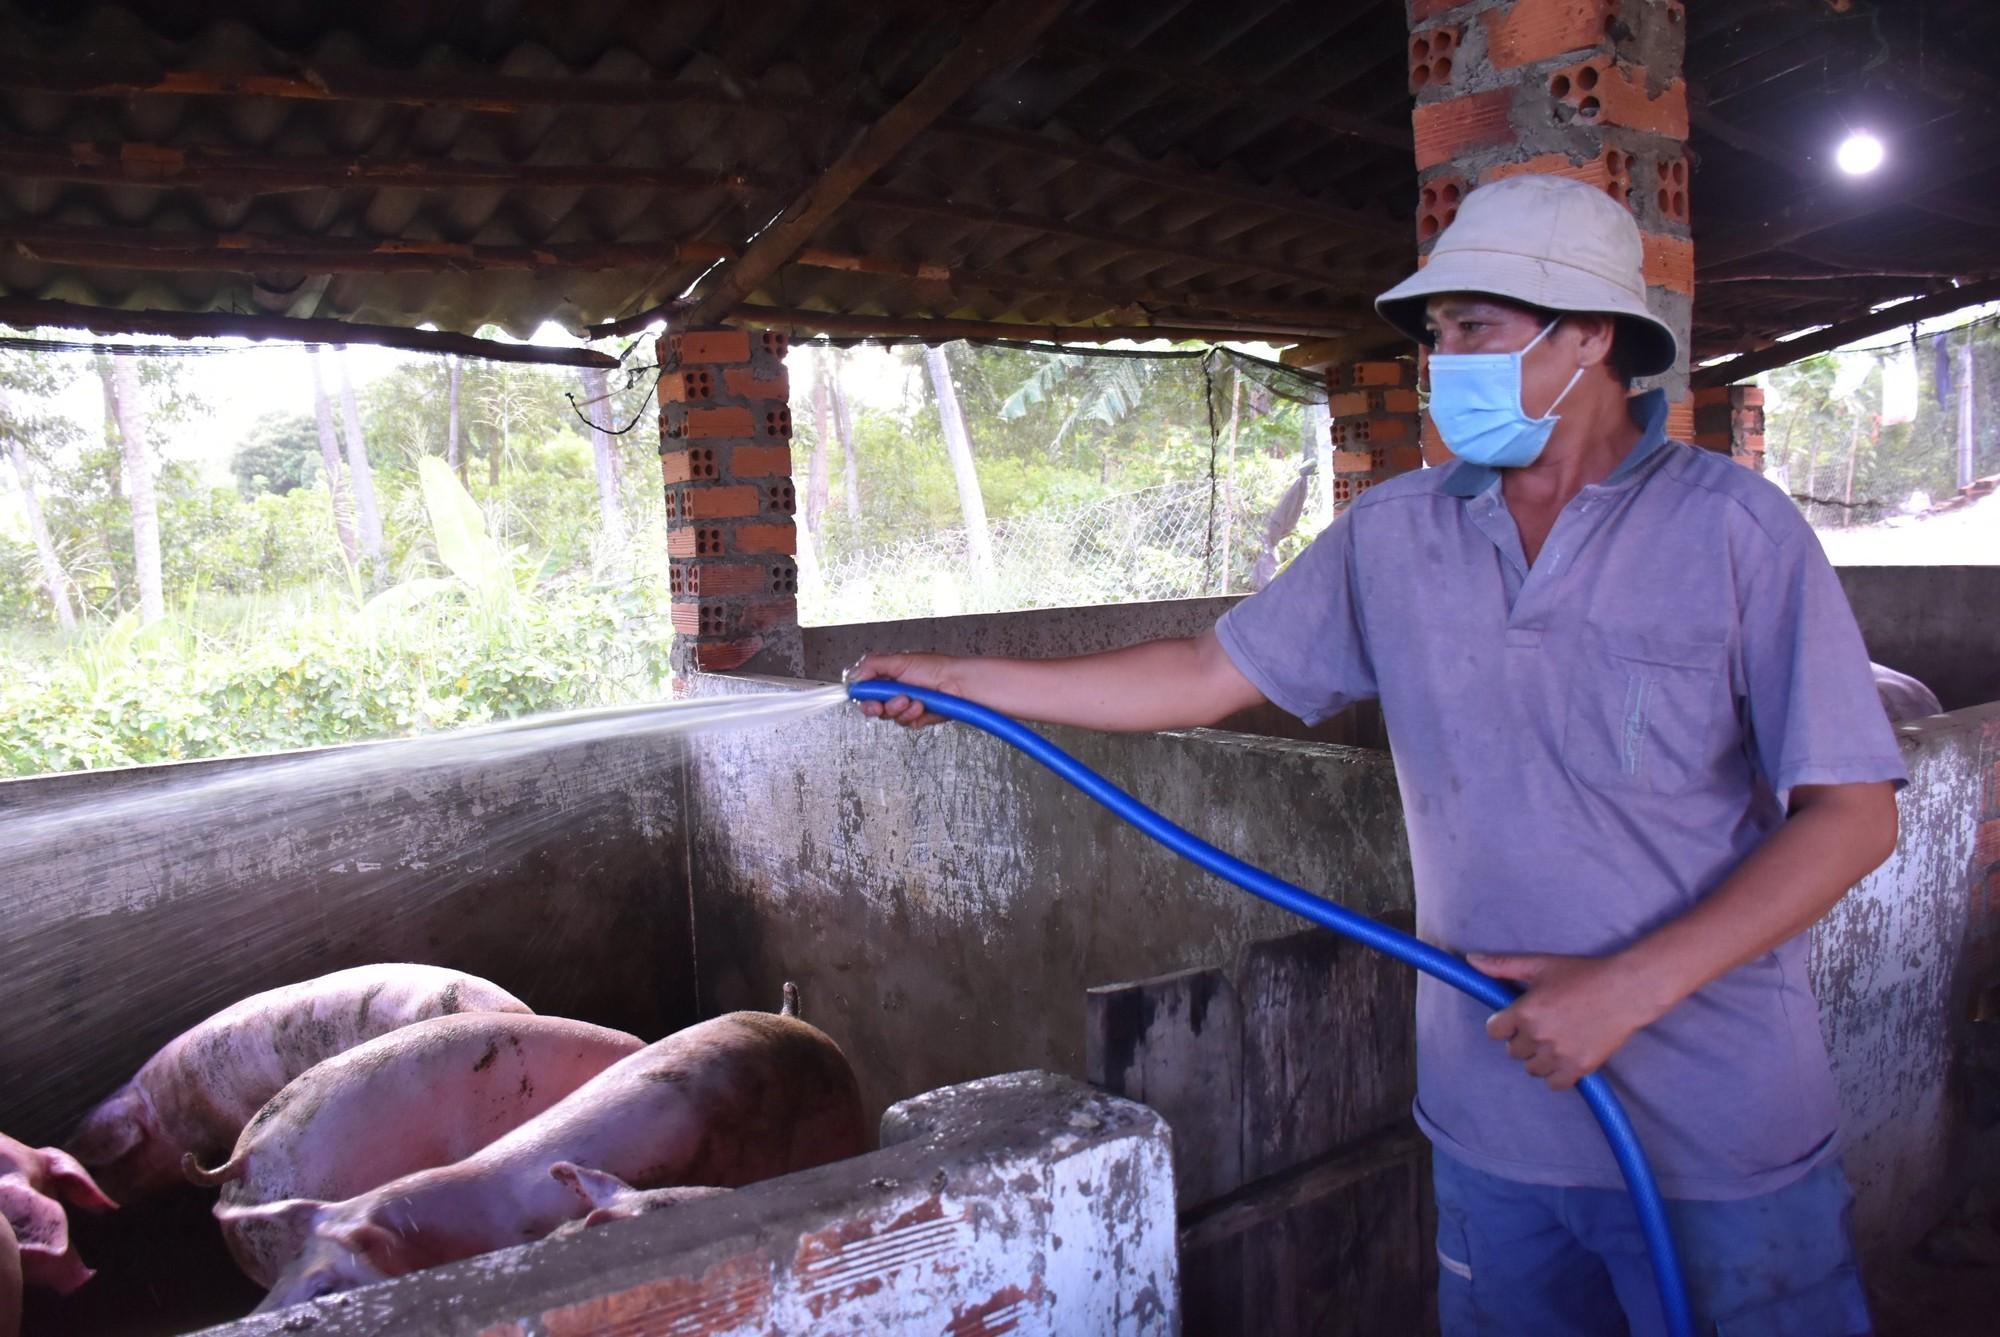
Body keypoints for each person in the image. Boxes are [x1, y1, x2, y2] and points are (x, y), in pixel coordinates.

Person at [855, 173, 1903, 1335]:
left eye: (1472, 328)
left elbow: (1853, 813)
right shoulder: (1393, 536)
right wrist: (969, 680)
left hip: (1715, 1125)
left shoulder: (1733, 531)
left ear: (1592, 337)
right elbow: (1206, 670)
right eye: (1433, 334)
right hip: (1492, 1112)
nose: (1438, 360)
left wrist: (1624, 988)